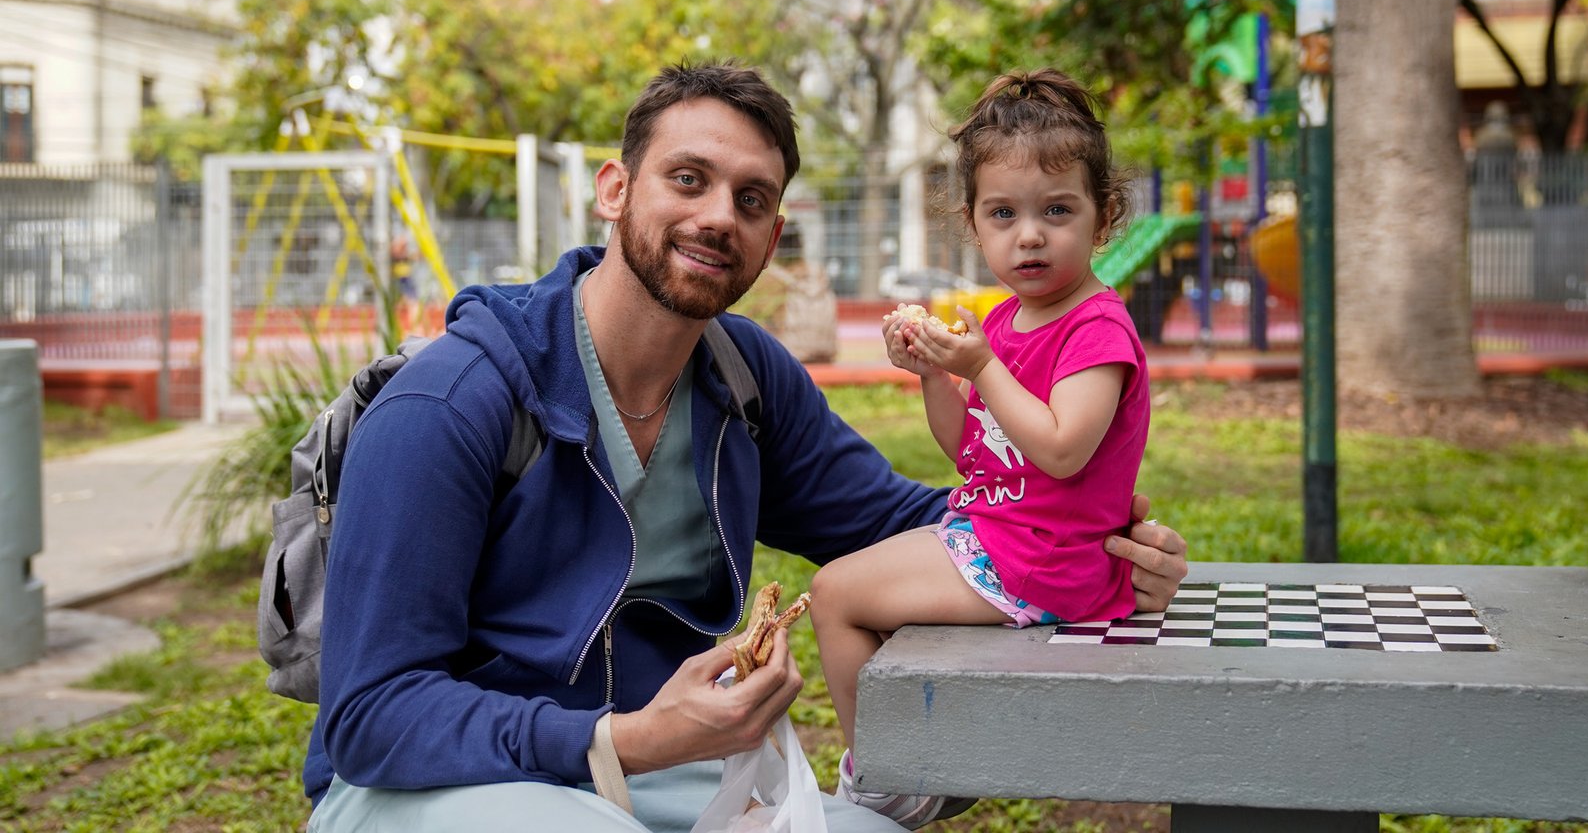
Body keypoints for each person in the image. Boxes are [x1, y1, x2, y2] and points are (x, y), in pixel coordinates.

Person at [304, 61, 1189, 833]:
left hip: (655, 768)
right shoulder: (449, 403)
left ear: (773, 236)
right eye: (688, 179)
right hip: (433, 784)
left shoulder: (742, 376)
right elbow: (372, 715)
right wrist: (626, 737)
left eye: (752, 199)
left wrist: (1078, 536)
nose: (719, 216)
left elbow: (902, 524)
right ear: (615, 190)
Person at [812, 70, 1152, 828]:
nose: (1029, 234)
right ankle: (912, 759)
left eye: (1057, 210)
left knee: (835, 595)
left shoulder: (1095, 329)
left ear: (1103, 216)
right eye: (1004, 213)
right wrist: (937, 374)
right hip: (999, 535)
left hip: (1043, 562)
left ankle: (883, 780)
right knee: (853, 592)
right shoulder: (1003, 321)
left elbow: (1061, 451)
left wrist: (984, 367)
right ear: (973, 223)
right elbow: (971, 450)